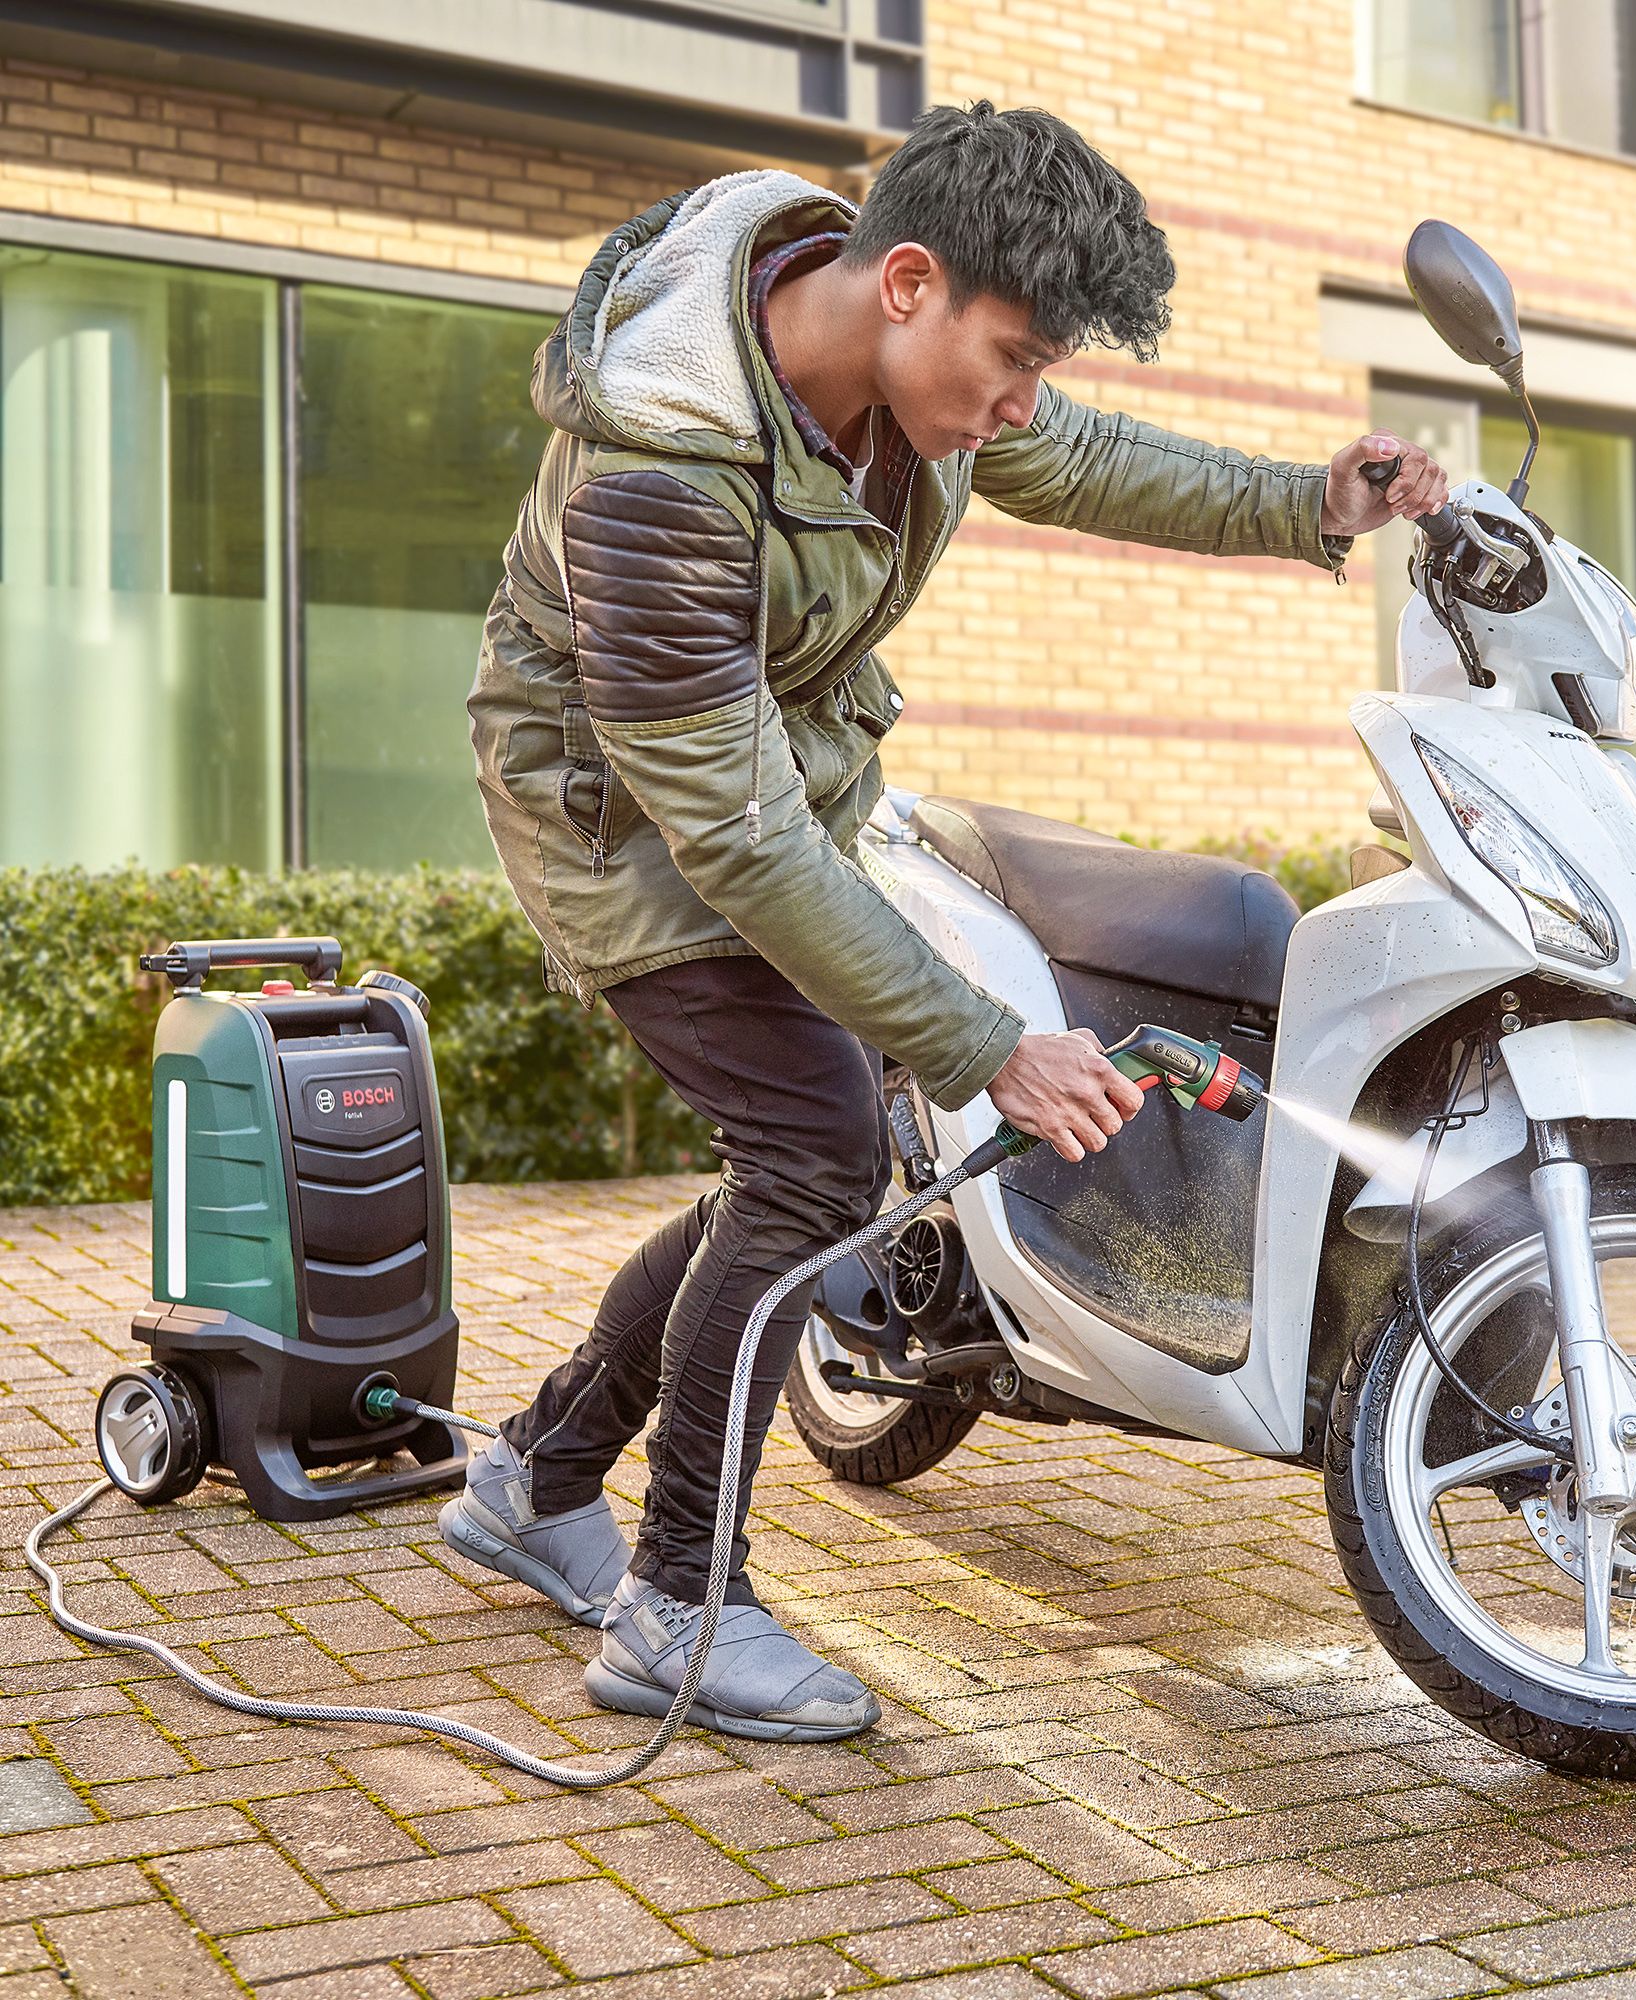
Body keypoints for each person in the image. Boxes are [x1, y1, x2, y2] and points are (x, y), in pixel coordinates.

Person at [451, 100, 1448, 1742]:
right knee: (816, 1162)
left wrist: (1309, 501)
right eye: (1014, 356)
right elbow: (733, 831)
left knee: (800, 1167)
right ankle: (672, 1607)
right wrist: (992, 1048)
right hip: (621, 823)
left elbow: (1083, 458)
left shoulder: (916, 380)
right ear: (905, 280)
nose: (1022, 399)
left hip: (771, 797)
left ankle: (536, 1479)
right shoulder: (661, 464)